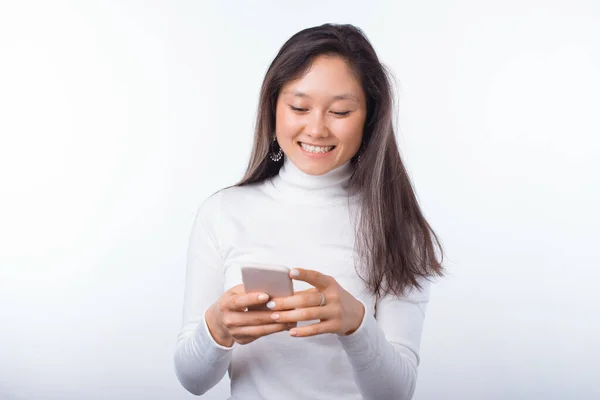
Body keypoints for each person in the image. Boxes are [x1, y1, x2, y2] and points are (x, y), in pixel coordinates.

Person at [173, 23, 444, 400]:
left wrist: (356, 325)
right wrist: (217, 327)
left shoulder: (397, 226)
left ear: (369, 117)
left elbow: (396, 393)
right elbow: (192, 379)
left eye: (340, 111)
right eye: (299, 107)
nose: (316, 128)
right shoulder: (223, 213)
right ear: (274, 107)